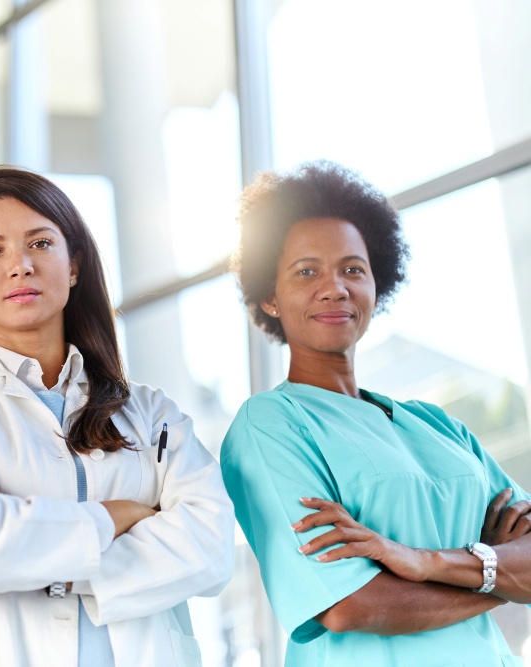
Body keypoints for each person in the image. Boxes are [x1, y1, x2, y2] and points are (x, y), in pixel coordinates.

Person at [0, 166, 234, 666]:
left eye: (41, 243)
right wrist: (121, 516)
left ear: (73, 265)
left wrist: (34, 549)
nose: (21, 265)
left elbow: (211, 549)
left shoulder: (151, 411)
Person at [221, 160, 531, 666]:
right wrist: (501, 577)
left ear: (375, 283)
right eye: (307, 272)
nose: (335, 287)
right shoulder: (271, 425)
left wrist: (421, 561)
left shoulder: (438, 426)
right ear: (270, 298)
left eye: (352, 269)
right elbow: (348, 604)